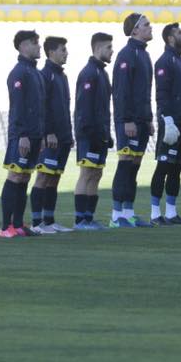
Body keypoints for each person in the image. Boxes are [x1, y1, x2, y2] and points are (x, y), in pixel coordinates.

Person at [111, 12, 155, 228]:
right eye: (146, 24)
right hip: (128, 122)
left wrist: (148, 119)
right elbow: (121, 91)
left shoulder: (144, 55)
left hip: (141, 121)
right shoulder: (126, 55)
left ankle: (128, 212)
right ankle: (116, 214)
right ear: (135, 29)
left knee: (135, 166)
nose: (150, 27)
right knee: (125, 165)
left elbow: (145, 92)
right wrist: (126, 119)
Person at [0, 29, 46, 238]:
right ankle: (4, 227)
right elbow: (17, 106)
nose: (39, 46)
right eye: (35, 43)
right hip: (22, 135)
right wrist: (22, 135)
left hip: (35, 134)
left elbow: (40, 107)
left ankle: (18, 224)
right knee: (15, 175)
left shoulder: (35, 72)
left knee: (25, 177)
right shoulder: (18, 73)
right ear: (23, 46)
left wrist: (41, 134)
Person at [150, 22, 181, 225]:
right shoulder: (164, 61)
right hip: (171, 123)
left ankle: (171, 212)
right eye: (179, 33)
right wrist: (166, 119)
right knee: (164, 166)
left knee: (177, 168)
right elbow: (162, 93)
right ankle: (155, 213)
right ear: (170, 38)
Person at [30, 35, 73, 233]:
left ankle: (49, 220)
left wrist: (67, 134)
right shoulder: (45, 74)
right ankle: (36, 223)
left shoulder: (62, 75)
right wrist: (48, 133)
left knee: (54, 178)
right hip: (50, 137)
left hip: (63, 136)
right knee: (43, 177)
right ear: (51, 52)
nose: (66, 53)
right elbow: (42, 107)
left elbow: (64, 107)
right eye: (63, 50)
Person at [72, 32, 114, 230]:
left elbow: (103, 108)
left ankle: (89, 217)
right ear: (97, 49)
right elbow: (84, 107)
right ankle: (80, 220)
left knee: (97, 173)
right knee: (87, 172)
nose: (111, 51)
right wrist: (90, 132)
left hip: (100, 133)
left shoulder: (102, 73)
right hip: (89, 134)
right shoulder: (89, 73)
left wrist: (106, 133)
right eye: (108, 47)